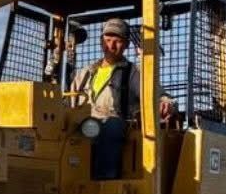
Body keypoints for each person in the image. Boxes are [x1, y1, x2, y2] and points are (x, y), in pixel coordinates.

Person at [72, 18, 177, 179]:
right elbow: (69, 102)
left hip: (114, 123)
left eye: (117, 41)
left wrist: (166, 104)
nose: (111, 46)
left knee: (111, 126)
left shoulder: (132, 72)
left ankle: (105, 184)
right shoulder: (86, 73)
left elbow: (156, 94)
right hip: (85, 124)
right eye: (107, 40)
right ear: (101, 42)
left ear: (127, 45)